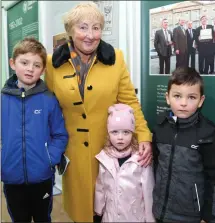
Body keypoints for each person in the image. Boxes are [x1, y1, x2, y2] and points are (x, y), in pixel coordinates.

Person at [45, 2, 153, 222]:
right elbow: (47, 107)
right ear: (70, 31)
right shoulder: (51, 64)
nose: (90, 35)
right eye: (83, 27)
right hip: (72, 152)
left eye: (96, 28)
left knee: (111, 209)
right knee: (81, 211)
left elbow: (130, 101)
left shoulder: (116, 59)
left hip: (110, 152)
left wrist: (143, 135)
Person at [1, 37, 68, 222]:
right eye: (24, 62)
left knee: (42, 217)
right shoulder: (2, 100)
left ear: (43, 70)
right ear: (13, 64)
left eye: (37, 65)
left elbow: (60, 134)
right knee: (19, 218)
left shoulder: (48, 99)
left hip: (42, 177)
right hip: (11, 177)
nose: (30, 69)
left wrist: (49, 158)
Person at [152, 67, 215, 223]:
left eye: (191, 97)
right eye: (177, 96)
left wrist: (209, 217)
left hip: (192, 217)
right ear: (168, 98)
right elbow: (156, 167)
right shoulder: (159, 128)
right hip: (160, 212)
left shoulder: (209, 134)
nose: (183, 103)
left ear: (200, 101)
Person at [94, 103, 155, 222]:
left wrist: (150, 218)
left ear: (132, 134)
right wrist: (98, 209)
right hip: (110, 217)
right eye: (115, 132)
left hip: (134, 217)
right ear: (108, 133)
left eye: (126, 132)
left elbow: (148, 190)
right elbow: (100, 186)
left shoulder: (141, 158)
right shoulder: (104, 158)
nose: (120, 137)